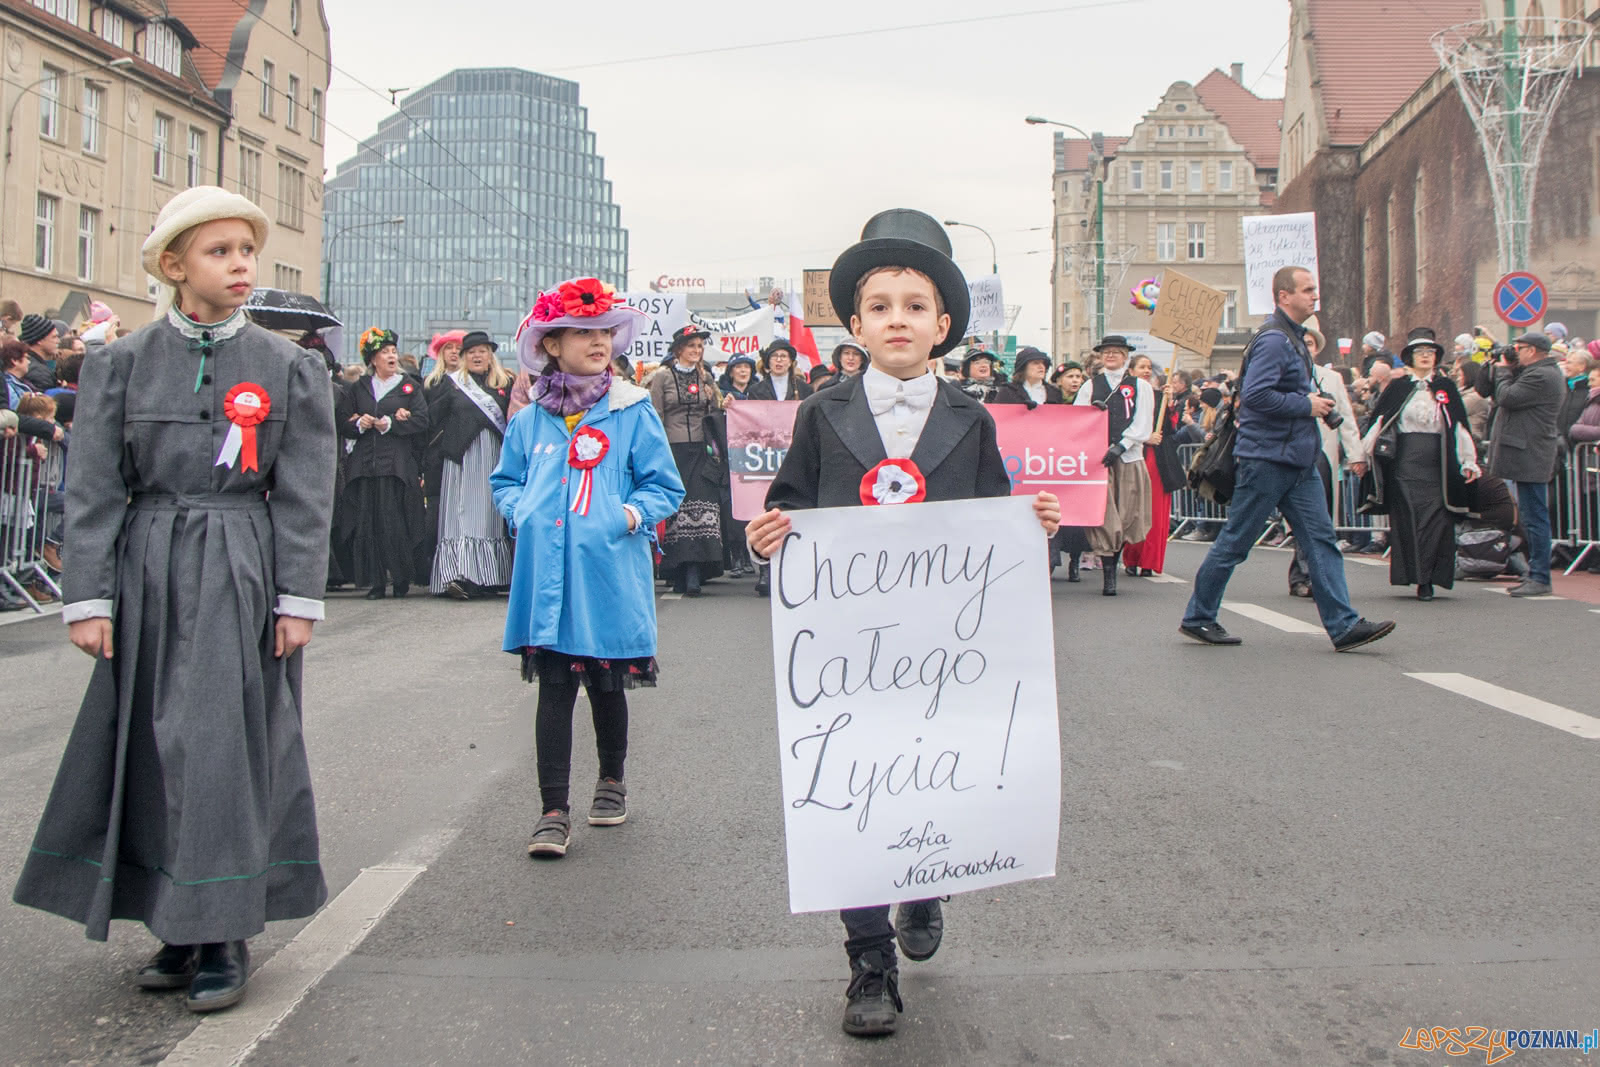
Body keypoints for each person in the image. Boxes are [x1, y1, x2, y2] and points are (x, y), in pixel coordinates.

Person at [12, 186, 336, 1014]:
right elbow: (90, 490)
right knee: (151, 746)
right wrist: (87, 596)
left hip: (240, 563)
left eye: (246, 251)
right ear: (173, 265)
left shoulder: (289, 367)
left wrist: (297, 595)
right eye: (219, 251)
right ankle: (176, 918)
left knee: (224, 745)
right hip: (147, 563)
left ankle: (224, 926)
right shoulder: (120, 364)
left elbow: (304, 493)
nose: (240, 266)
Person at [744, 208, 1060, 1040]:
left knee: (931, 774)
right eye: (880, 306)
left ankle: (924, 880)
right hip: (849, 651)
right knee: (851, 792)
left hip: (942, 648)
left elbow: (994, 514)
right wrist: (766, 533)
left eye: (914, 306)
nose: (897, 320)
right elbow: (787, 505)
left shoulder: (972, 417)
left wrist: (1036, 523)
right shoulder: (822, 413)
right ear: (855, 324)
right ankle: (868, 963)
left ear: (943, 325)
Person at [493, 277, 684, 858]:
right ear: (552, 344)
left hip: (607, 571)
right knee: (554, 685)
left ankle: (611, 780)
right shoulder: (529, 420)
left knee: (605, 680)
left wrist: (627, 515)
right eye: (583, 332)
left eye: (604, 332)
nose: (598, 342)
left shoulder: (632, 409)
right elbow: (505, 482)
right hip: (545, 575)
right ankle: (553, 810)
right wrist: (519, 510)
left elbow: (664, 486)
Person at [1179, 266, 1394, 651]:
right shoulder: (1275, 340)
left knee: (1321, 541)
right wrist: (1305, 404)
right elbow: (1256, 396)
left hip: (1296, 459)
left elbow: (1285, 393)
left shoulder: (1292, 338)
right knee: (1235, 543)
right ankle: (1199, 616)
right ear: (1283, 296)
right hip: (1266, 460)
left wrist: (1318, 406)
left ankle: (1344, 626)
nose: (1315, 296)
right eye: (1307, 289)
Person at [1361, 329, 1480, 600]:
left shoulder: (1446, 388)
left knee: (1438, 519)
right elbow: (1380, 422)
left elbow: (1459, 426)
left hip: (1438, 462)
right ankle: (1416, 576)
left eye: (1430, 352)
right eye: (1420, 352)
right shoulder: (1399, 387)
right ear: (1410, 358)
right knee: (1409, 518)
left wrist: (1468, 460)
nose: (1426, 356)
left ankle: (1431, 576)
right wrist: (1362, 455)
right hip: (1405, 462)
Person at [335, 327, 431, 599]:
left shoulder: (409, 386)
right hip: (366, 465)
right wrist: (359, 423)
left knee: (395, 522)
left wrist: (392, 423)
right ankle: (375, 581)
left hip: (397, 466)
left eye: (393, 352)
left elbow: (422, 421)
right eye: (384, 352)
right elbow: (344, 422)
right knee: (369, 523)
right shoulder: (359, 388)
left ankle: (400, 578)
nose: (391, 356)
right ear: (373, 359)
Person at [427, 330, 514, 600]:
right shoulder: (451, 384)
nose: (477, 356)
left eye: (483, 351)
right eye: (471, 352)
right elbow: (432, 419)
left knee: (487, 515)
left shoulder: (505, 383)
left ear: (491, 355)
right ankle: (458, 574)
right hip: (460, 459)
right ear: (464, 357)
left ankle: (488, 576)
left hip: (492, 458)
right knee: (460, 514)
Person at [1482, 331, 1566, 597]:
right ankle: (1535, 575)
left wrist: (1505, 370)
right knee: (1531, 517)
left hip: (1532, 454)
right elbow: (1487, 390)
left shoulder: (1542, 375)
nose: (1515, 352)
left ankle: (1540, 577)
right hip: (1527, 452)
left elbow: (1507, 397)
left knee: (1535, 518)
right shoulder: (1536, 372)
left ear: (1532, 350)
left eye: (1519, 348)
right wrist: (1495, 366)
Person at [1284, 319, 1363, 596]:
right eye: (1300, 343)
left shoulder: (1332, 378)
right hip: (1291, 453)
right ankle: (1305, 574)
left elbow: (1347, 420)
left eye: (1309, 344)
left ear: (1316, 348)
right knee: (1300, 519)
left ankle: (1310, 576)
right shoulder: (1284, 376)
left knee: (1319, 519)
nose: (1305, 348)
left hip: (1323, 455)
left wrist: (1356, 454)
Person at [1073, 334, 1154, 595]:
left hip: (1128, 455)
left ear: (1125, 356)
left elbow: (1143, 422)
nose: (1110, 356)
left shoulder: (1141, 387)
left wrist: (1123, 445)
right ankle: (1109, 574)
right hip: (1100, 459)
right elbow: (1078, 419)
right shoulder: (1090, 386)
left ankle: (1116, 561)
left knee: (1128, 512)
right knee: (1106, 515)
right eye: (1106, 352)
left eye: (1116, 352)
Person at [649, 324, 724, 596]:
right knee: (677, 509)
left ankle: (697, 570)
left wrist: (723, 403)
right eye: (691, 346)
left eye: (700, 347)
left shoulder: (706, 377)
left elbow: (715, 410)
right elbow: (656, 415)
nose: (696, 350)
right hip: (673, 450)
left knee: (701, 506)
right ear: (679, 349)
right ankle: (677, 570)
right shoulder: (663, 377)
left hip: (702, 450)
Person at [1121, 354, 1187, 577]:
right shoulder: (1124, 395)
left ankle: (1149, 560)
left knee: (1156, 510)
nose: (1147, 371)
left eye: (1149, 367)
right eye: (1142, 367)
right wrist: (1143, 437)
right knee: (1135, 507)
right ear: (1131, 371)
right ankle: (1131, 557)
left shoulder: (1160, 396)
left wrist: (1169, 406)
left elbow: (1170, 430)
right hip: (1135, 454)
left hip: (1157, 459)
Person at [992, 346, 1063, 407]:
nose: (1041, 366)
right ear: (1023, 368)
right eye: (1035, 363)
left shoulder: (1055, 393)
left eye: (1043, 363)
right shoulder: (1007, 392)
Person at [747, 339, 812, 402]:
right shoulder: (755, 390)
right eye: (774, 356)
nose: (778, 360)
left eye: (783, 356)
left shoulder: (804, 388)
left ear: (790, 362)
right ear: (768, 361)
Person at [16, 314, 62, 393]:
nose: (58, 341)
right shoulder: (39, 373)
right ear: (39, 340)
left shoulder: (29, 364)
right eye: (54, 337)